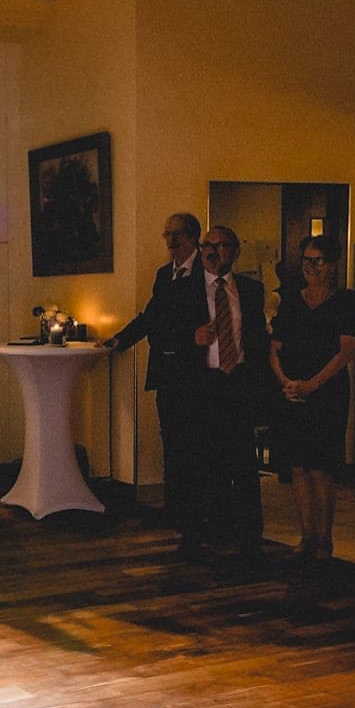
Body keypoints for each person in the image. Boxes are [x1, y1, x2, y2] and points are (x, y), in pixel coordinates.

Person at [103, 213, 208, 556]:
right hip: (167, 371)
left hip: (194, 373)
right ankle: (177, 510)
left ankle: (195, 520)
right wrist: (120, 340)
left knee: (192, 447)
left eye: (176, 235)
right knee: (172, 441)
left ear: (193, 238)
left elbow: (199, 325)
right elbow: (152, 316)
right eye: (167, 235)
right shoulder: (165, 274)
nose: (170, 242)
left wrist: (186, 339)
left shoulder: (203, 275)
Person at [269, 235, 355, 566]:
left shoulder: (345, 301)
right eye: (306, 260)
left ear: (332, 265)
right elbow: (275, 347)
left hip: (327, 391)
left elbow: (346, 350)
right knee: (298, 466)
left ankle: (325, 537)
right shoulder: (291, 300)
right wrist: (286, 383)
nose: (310, 267)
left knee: (322, 467)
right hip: (293, 389)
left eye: (317, 260)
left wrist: (313, 384)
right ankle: (306, 534)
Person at [191, 227, 273, 562]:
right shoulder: (186, 289)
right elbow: (164, 332)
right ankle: (198, 534)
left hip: (238, 382)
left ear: (235, 251)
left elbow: (256, 339)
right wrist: (191, 337)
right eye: (207, 246)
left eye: (221, 245)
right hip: (204, 384)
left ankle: (251, 538)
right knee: (202, 463)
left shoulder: (251, 290)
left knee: (243, 463)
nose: (212, 252)